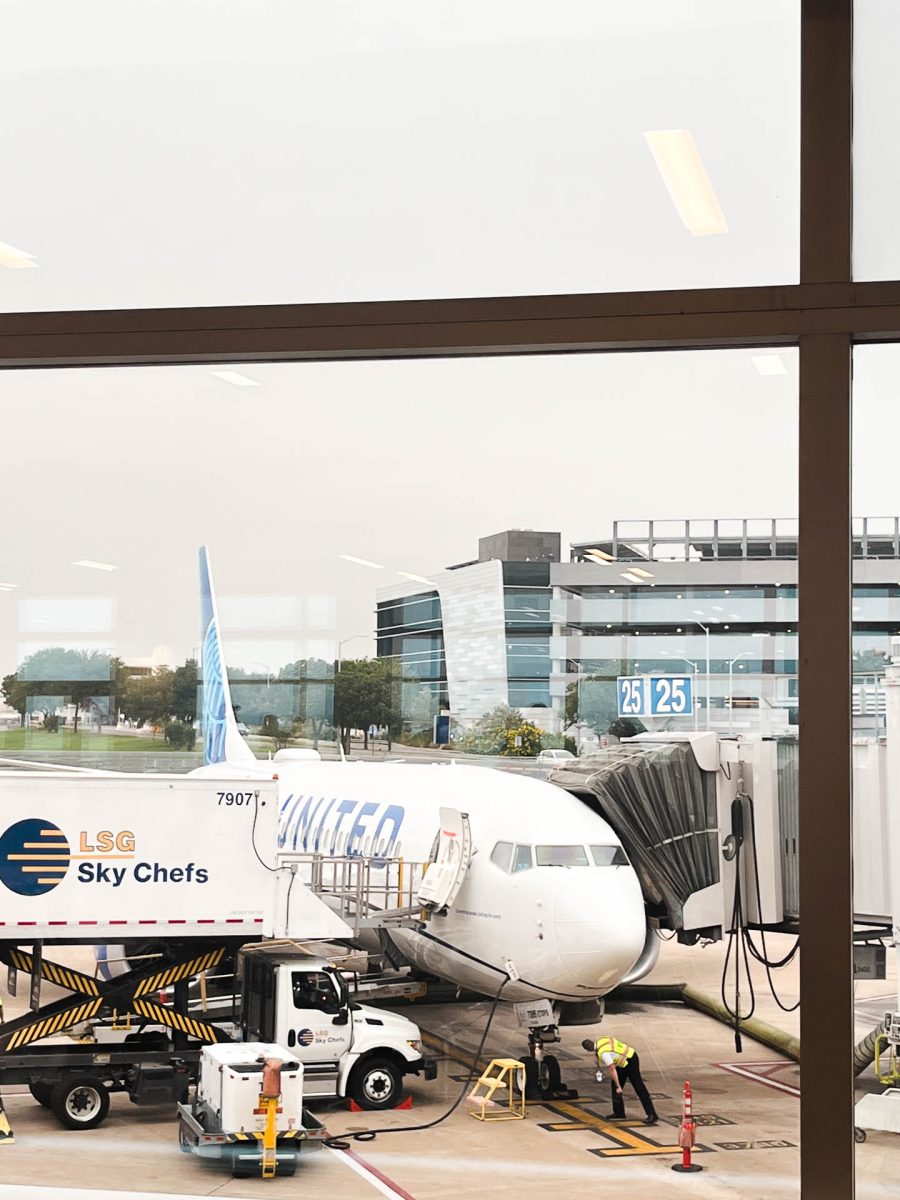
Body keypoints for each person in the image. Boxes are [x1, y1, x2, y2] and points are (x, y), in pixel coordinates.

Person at [582, 1034, 659, 1125]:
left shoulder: (604, 1053)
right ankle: (619, 1112)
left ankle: (652, 1114)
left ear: (588, 1050)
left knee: (638, 1086)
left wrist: (619, 1086)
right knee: (614, 1084)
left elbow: (612, 1069)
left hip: (630, 1061)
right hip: (625, 1059)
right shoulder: (602, 1041)